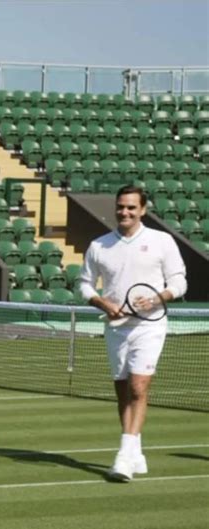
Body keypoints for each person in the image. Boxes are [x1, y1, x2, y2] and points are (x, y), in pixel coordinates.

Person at [79, 185, 187, 482]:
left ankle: (124, 457)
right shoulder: (99, 245)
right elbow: (85, 284)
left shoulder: (161, 241)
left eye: (130, 207)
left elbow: (179, 282)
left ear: (143, 210)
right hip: (115, 327)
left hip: (150, 325)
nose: (124, 212)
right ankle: (136, 452)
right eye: (120, 207)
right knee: (122, 391)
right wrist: (102, 302)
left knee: (138, 388)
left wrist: (156, 299)